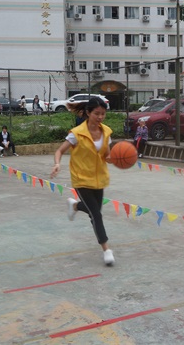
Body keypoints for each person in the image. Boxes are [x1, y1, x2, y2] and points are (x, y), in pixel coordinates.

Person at [50, 97, 115, 266]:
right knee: (96, 214)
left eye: (103, 114)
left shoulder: (107, 132)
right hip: (81, 178)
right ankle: (106, 249)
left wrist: (114, 158)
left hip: (99, 177)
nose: (100, 117)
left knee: (95, 210)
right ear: (88, 113)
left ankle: (75, 206)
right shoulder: (77, 133)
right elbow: (60, 150)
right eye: (96, 113)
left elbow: (106, 155)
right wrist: (57, 164)